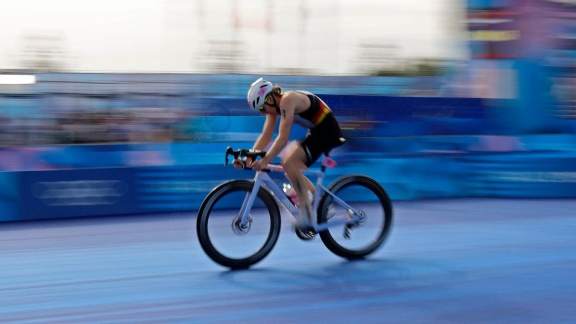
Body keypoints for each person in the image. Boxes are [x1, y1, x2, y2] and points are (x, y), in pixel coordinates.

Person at [234, 77, 344, 227]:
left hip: (328, 131)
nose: (263, 112)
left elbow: (283, 138)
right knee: (289, 165)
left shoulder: (287, 100)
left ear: (271, 98)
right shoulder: (273, 108)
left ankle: (307, 212)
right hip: (317, 131)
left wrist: (265, 160)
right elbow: (265, 136)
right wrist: (247, 159)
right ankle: (321, 204)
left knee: (290, 162)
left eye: (262, 108)